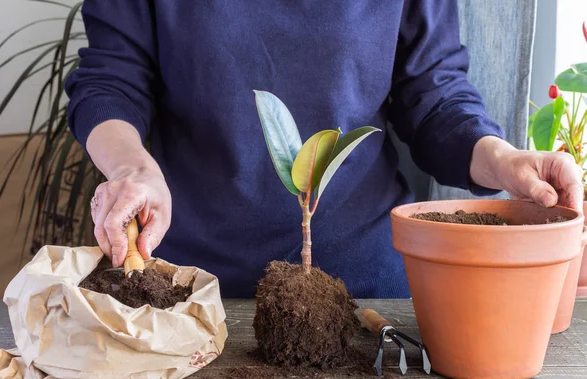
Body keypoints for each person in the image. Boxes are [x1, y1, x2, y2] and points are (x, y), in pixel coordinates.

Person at [65, 1, 583, 298]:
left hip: (370, 294)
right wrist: (133, 168)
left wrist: (507, 162)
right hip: (188, 288)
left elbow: (433, 94)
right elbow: (111, 80)